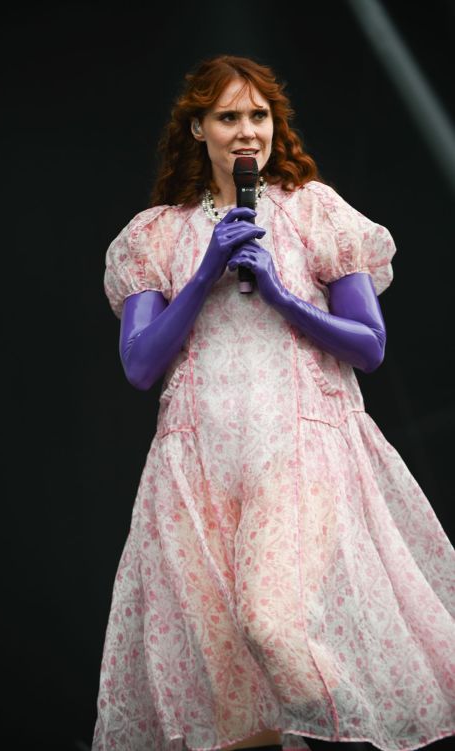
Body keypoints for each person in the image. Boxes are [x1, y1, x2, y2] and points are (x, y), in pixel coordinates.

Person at [92, 55, 455, 751]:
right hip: (195, 468)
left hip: (298, 450)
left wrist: (284, 295)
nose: (247, 131)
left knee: (273, 623)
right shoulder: (156, 235)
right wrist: (204, 274)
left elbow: (370, 345)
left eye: (259, 115)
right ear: (198, 128)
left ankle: (359, 736)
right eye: (229, 116)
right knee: (231, 693)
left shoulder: (312, 209)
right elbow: (140, 365)